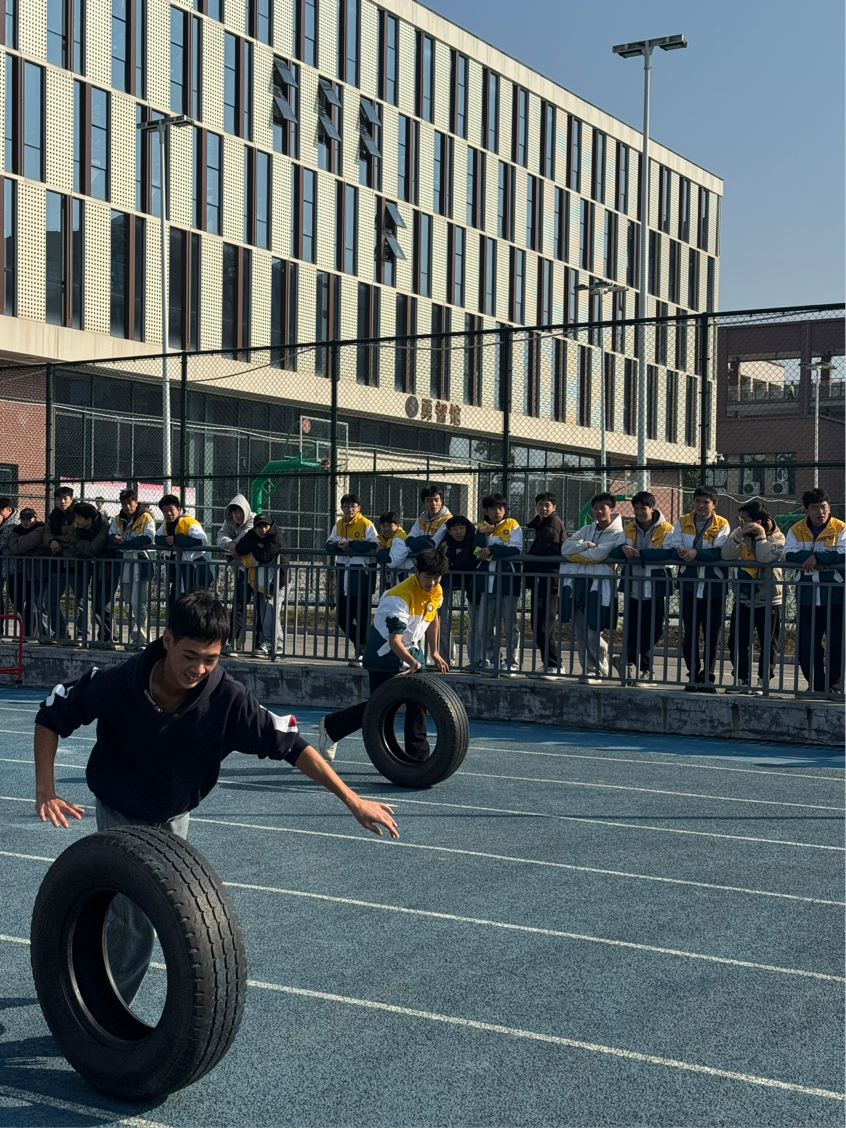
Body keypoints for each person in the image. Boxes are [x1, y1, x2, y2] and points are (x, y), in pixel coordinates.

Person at [33, 590, 398, 1007]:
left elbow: (293, 746)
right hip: (120, 808)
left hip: (174, 813)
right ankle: (100, 1014)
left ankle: (87, 965)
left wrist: (352, 800)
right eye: (189, 656)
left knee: (144, 909)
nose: (198, 669)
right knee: (137, 921)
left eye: (210, 659)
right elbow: (51, 714)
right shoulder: (119, 682)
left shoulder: (228, 698)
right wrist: (46, 790)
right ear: (167, 640)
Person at [317, 549, 450, 762]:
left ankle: (418, 758)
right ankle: (332, 727)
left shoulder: (436, 590)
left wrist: (434, 651)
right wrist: (412, 662)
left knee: (419, 703)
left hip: (412, 650)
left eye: (437, 577)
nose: (432, 583)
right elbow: (394, 641)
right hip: (384, 655)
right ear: (416, 571)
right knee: (381, 708)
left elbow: (433, 616)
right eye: (428, 577)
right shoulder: (397, 597)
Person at [661, 486, 730, 692]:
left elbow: (721, 551)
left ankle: (707, 677)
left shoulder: (722, 524)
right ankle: (692, 675)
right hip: (689, 585)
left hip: (714, 586)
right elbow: (673, 545)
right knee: (690, 633)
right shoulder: (683, 521)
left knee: (712, 634)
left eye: (705, 502)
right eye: (697, 501)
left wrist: (696, 554)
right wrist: (681, 551)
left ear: (714, 504)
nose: (700, 505)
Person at [784, 488, 845, 694]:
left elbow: (843, 554)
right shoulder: (796, 529)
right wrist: (809, 558)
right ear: (807, 510)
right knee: (807, 644)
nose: (820, 512)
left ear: (829, 508)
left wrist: (817, 557)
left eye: (824, 507)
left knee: (837, 642)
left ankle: (834, 685)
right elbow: (789, 553)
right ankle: (816, 685)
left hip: (835, 596)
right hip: (807, 595)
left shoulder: (841, 528)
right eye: (815, 508)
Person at [608, 492, 673, 683]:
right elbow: (615, 550)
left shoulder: (667, 529)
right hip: (633, 586)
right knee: (632, 630)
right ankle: (641, 669)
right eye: (635, 509)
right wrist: (623, 549)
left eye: (642, 508)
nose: (638, 512)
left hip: (655, 587)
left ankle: (625, 659)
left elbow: (667, 552)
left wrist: (641, 554)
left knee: (653, 631)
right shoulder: (629, 528)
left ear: (652, 508)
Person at [560, 493, 625, 683]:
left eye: (603, 508)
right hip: (579, 582)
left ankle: (600, 662)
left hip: (599, 585)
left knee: (593, 632)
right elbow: (565, 549)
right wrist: (585, 544)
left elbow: (597, 555)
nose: (598, 512)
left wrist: (577, 554)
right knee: (580, 632)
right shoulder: (587, 529)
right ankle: (590, 670)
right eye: (595, 508)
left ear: (611, 510)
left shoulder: (618, 533)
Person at [721, 500, 785, 693]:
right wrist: (738, 535)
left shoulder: (778, 537)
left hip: (769, 598)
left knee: (768, 642)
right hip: (743, 596)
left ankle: (763, 680)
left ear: (758, 521)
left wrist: (761, 536)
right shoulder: (739, 533)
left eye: (745, 520)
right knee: (738, 641)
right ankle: (742, 679)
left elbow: (766, 558)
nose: (741, 523)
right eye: (740, 519)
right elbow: (726, 555)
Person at [472, 493, 523, 674]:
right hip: (487, 583)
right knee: (485, 626)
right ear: (486, 511)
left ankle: (511, 662)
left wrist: (491, 549)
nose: (498, 512)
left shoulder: (512, 525)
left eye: (501, 508)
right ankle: (492, 659)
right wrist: (481, 536)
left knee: (510, 626)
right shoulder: (480, 527)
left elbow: (516, 548)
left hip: (508, 582)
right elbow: (476, 551)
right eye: (493, 508)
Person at [325, 494, 378, 665]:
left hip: (361, 578)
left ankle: (361, 652)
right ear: (341, 508)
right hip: (344, 578)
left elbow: (373, 545)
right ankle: (365, 645)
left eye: (353, 506)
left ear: (359, 508)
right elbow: (328, 545)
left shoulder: (366, 524)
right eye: (346, 506)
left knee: (362, 618)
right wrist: (338, 546)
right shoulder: (339, 525)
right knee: (342, 619)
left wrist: (351, 544)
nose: (349, 509)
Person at [233, 514, 288, 655]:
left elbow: (264, 556)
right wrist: (256, 545)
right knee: (265, 613)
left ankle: (273, 644)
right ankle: (274, 645)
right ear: (254, 528)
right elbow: (239, 548)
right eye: (259, 527)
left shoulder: (277, 536)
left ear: (270, 526)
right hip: (263, 582)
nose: (263, 529)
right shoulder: (253, 535)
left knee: (271, 612)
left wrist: (252, 551)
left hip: (278, 581)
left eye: (265, 526)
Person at [108, 490, 156, 650]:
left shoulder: (146, 517)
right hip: (125, 564)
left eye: (130, 503)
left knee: (139, 603)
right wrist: (116, 540)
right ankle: (134, 638)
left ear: (136, 502)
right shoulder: (117, 519)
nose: (127, 506)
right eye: (124, 503)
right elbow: (110, 536)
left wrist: (124, 541)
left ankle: (143, 641)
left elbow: (147, 538)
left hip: (141, 564)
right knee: (129, 602)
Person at [525, 493, 566, 677]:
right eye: (540, 504)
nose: (543, 508)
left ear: (554, 507)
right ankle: (549, 664)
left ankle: (554, 665)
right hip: (542, 579)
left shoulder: (552, 524)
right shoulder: (543, 524)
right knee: (539, 623)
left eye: (547, 505)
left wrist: (528, 561)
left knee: (543, 624)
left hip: (548, 579)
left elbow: (547, 549)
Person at [67, 502, 113, 646]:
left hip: (105, 570)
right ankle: (101, 638)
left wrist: (82, 544)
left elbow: (94, 548)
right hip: (89, 568)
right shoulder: (78, 529)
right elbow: (73, 548)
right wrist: (86, 546)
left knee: (102, 604)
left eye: (79, 518)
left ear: (89, 519)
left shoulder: (104, 527)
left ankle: (109, 637)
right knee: (91, 603)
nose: (76, 520)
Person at [217, 493, 256, 652]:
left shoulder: (254, 520)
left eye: (240, 511)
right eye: (234, 512)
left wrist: (234, 547)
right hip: (242, 571)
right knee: (238, 606)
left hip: (258, 571)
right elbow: (220, 537)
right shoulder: (229, 522)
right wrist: (231, 545)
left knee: (261, 608)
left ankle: (261, 645)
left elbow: (246, 537)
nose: (238, 515)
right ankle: (234, 643)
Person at [155, 494, 211, 603]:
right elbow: (157, 538)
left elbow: (201, 540)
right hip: (179, 570)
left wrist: (177, 539)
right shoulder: (166, 524)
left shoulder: (188, 522)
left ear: (178, 509)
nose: (168, 513)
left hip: (195, 569)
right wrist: (170, 542)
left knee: (195, 602)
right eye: (165, 511)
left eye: (171, 510)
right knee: (177, 601)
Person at [439, 515, 478, 665]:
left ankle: (475, 660)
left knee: (476, 622)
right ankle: (446, 658)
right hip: (447, 580)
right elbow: (441, 555)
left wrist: (453, 559)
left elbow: (464, 561)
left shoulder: (473, 538)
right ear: (449, 531)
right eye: (455, 529)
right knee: (441, 619)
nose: (459, 532)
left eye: (462, 528)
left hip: (472, 582)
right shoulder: (446, 541)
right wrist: (454, 554)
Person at [41, 486, 77, 640]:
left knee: (81, 601)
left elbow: (73, 536)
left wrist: (56, 539)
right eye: (59, 498)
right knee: (49, 600)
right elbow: (46, 532)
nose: (62, 501)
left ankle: (83, 635)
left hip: (76, 564)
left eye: (65, 498)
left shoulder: (78, 513)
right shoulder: (54, 515)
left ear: (71, 499)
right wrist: (51, 541)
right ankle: (61, 633)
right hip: (58, 564)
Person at [390, 485, 452, 572]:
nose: (433, 504)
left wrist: (419, 543)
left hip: (438, 564)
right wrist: (425, 540)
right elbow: (409, 542)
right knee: (404, 562)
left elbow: (432, 545)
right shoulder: (421, 520)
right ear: (424, 503)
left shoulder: (448, 520)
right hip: (423, 562)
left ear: (441, 501)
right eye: (429, 501)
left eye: (436, 500)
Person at [8, 507, 47, 637]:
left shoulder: (40, 528)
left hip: (40, 572)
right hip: (25, 572)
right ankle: (29, 632)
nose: (25, 522)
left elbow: (26, 543)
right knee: (20, 600)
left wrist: (20, 541)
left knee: (37, 603)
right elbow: (13, 547)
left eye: (28, 519)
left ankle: (34, 633)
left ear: (35, 518)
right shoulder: (17, 529)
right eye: (23, 519)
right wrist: (22, 543)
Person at [375, 511, 410, 581]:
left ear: (398, 526)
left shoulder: (399, 539)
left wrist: (381, 551)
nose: (386, 529)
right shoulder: (386, 540)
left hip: (404, 579)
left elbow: (392, 562)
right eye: (383, 526)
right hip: (398, 578)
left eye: (390, 525)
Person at [0, 495, 19, 625]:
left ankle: (30, 630)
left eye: (1, 510)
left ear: (9, 510)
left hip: (13, 567)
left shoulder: (13, 523)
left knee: (16, 597)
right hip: (3, 566)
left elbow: (1, 543)